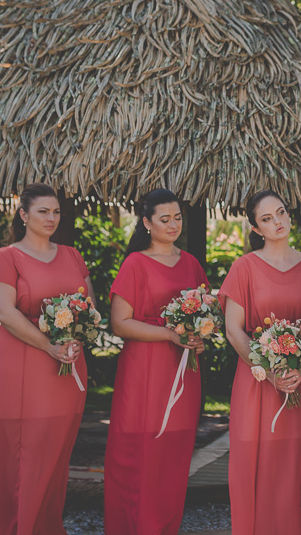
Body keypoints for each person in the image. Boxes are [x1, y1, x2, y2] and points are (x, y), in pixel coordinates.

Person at [0, 183, 94, 535]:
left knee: (54, 452)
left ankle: (44, 527)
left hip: (67, 364)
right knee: (19, 451)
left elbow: (89, 307)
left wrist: (76, 339)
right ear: (23, 214)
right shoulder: (6, 257)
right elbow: (3, 311)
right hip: (24, 364)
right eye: (43, 211)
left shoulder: (72, 255)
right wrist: (49, 346)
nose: (51, 218)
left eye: (56, 211)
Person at [220, 190, 301, 535]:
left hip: (300, 380)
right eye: (267, 218)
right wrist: (268, 372)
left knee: (289, 469)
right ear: (255, 227)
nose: (278, 221)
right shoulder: (244, 267)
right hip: (256, 381)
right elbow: (234, 331)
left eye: (281, 212)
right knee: (252, 465)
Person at [104, 189, 209, 535]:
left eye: (178, 217)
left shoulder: (192, 263)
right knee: (140, 450)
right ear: (147, 223)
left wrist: (199, 337)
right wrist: (169, 335)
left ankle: (164, 527)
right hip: (144, 369)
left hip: (183, 370)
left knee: (174, 451)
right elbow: (120, 323)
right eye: (165, 219)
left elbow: (206, 315)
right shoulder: (135, 262)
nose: (173, 224)